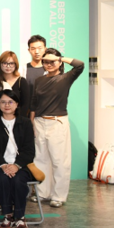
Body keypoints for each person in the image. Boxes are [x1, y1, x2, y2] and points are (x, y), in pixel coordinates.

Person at [30, 49, 84, 208]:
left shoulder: (65, 78)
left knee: (59, 161)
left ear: (59, 62)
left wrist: (59, 57)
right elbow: (34, 102)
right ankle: (42, 193)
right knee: (40, 159)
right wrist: (32, 122)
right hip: (39, 121)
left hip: (57, 122)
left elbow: (80, 65)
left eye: (52, 61)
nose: (49, 64)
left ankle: (58, 196)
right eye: (46, 61)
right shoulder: (39, 80)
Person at [0, 90, 35, 228]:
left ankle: (20, 216)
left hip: (21, 165)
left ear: (17, 104)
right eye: (3, 102)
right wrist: (4, 165)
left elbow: (29, 151)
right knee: (2, 179)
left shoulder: (26, 123)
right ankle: (8, 215)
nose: (7, 105)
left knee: (18, 180)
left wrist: (16, 166)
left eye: (10, 102)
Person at [0, 51, 30, 116]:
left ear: (16, 65)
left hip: (18, 118)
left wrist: (16, 119)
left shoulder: (21, 81)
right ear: (0, 64)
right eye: (5, 63)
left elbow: (25, 104)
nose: (8, 66)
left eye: (11, 63)